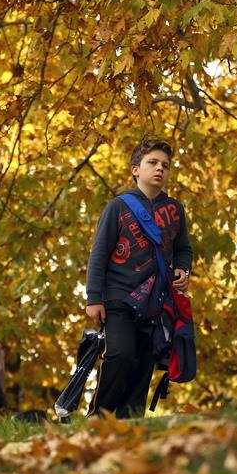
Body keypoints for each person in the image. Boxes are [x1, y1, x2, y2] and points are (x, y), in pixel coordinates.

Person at [85, 139, 193, 418]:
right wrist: (94, 298)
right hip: (118, 296)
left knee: (144, 363)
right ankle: (99, 418)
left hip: (156, 301)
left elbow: (183, 248)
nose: (160, 169)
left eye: (165, 166)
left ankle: (130, 425)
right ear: (135, 169)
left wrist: (183, 269)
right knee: (121, 355)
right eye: (152, 163)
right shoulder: (118, 207)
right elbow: (99, 254)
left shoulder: (175, 210)